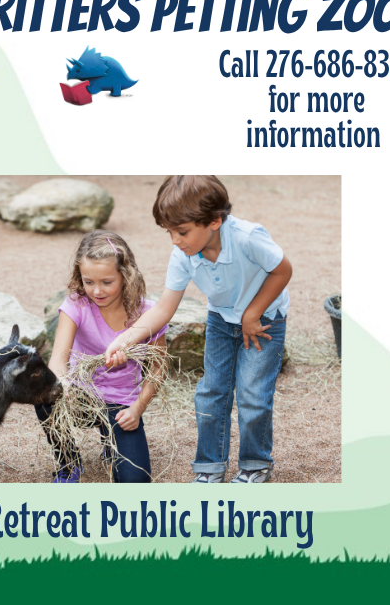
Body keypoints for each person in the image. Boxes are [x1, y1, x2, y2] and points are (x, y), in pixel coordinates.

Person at [105, 176, 292, 484]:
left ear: (214, 221)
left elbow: (283, 269)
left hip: (263, 321)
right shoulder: (183, 255)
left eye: (181, 231)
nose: (175, 240)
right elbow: (164, 309)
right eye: (169, 232)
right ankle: (209, 468)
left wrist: (252, 313)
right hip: (220, 320)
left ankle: (256, 464)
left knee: (252, 394)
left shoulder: (247, 238)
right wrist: (125, 338)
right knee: (210, 392)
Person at [36, 230, 168, 483]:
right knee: (43, 391)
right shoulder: (76, 305)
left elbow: (159, 368)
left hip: (121, 404)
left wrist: (137, 409)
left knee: (135, 482)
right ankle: (68, 461)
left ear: (126, 276)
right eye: (88, 282)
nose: (97, 291)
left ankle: (112, 439)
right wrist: (63, 384)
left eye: (107, 282)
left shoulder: (148, 313)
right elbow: (57, 360)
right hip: (80, 396)